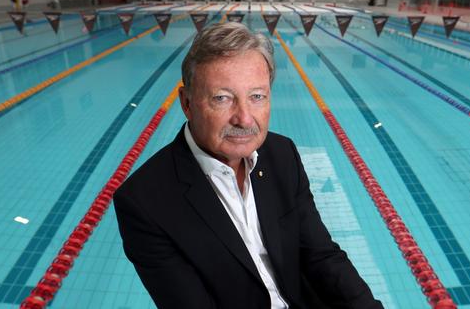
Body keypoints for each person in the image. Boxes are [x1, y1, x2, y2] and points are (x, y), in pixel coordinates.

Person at [113, 22, 383, 309]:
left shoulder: (282, 155)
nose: (244, 118)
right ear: (187, 102)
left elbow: (321, 256)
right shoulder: (144, 202)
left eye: (257, 97)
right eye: (222, 98)